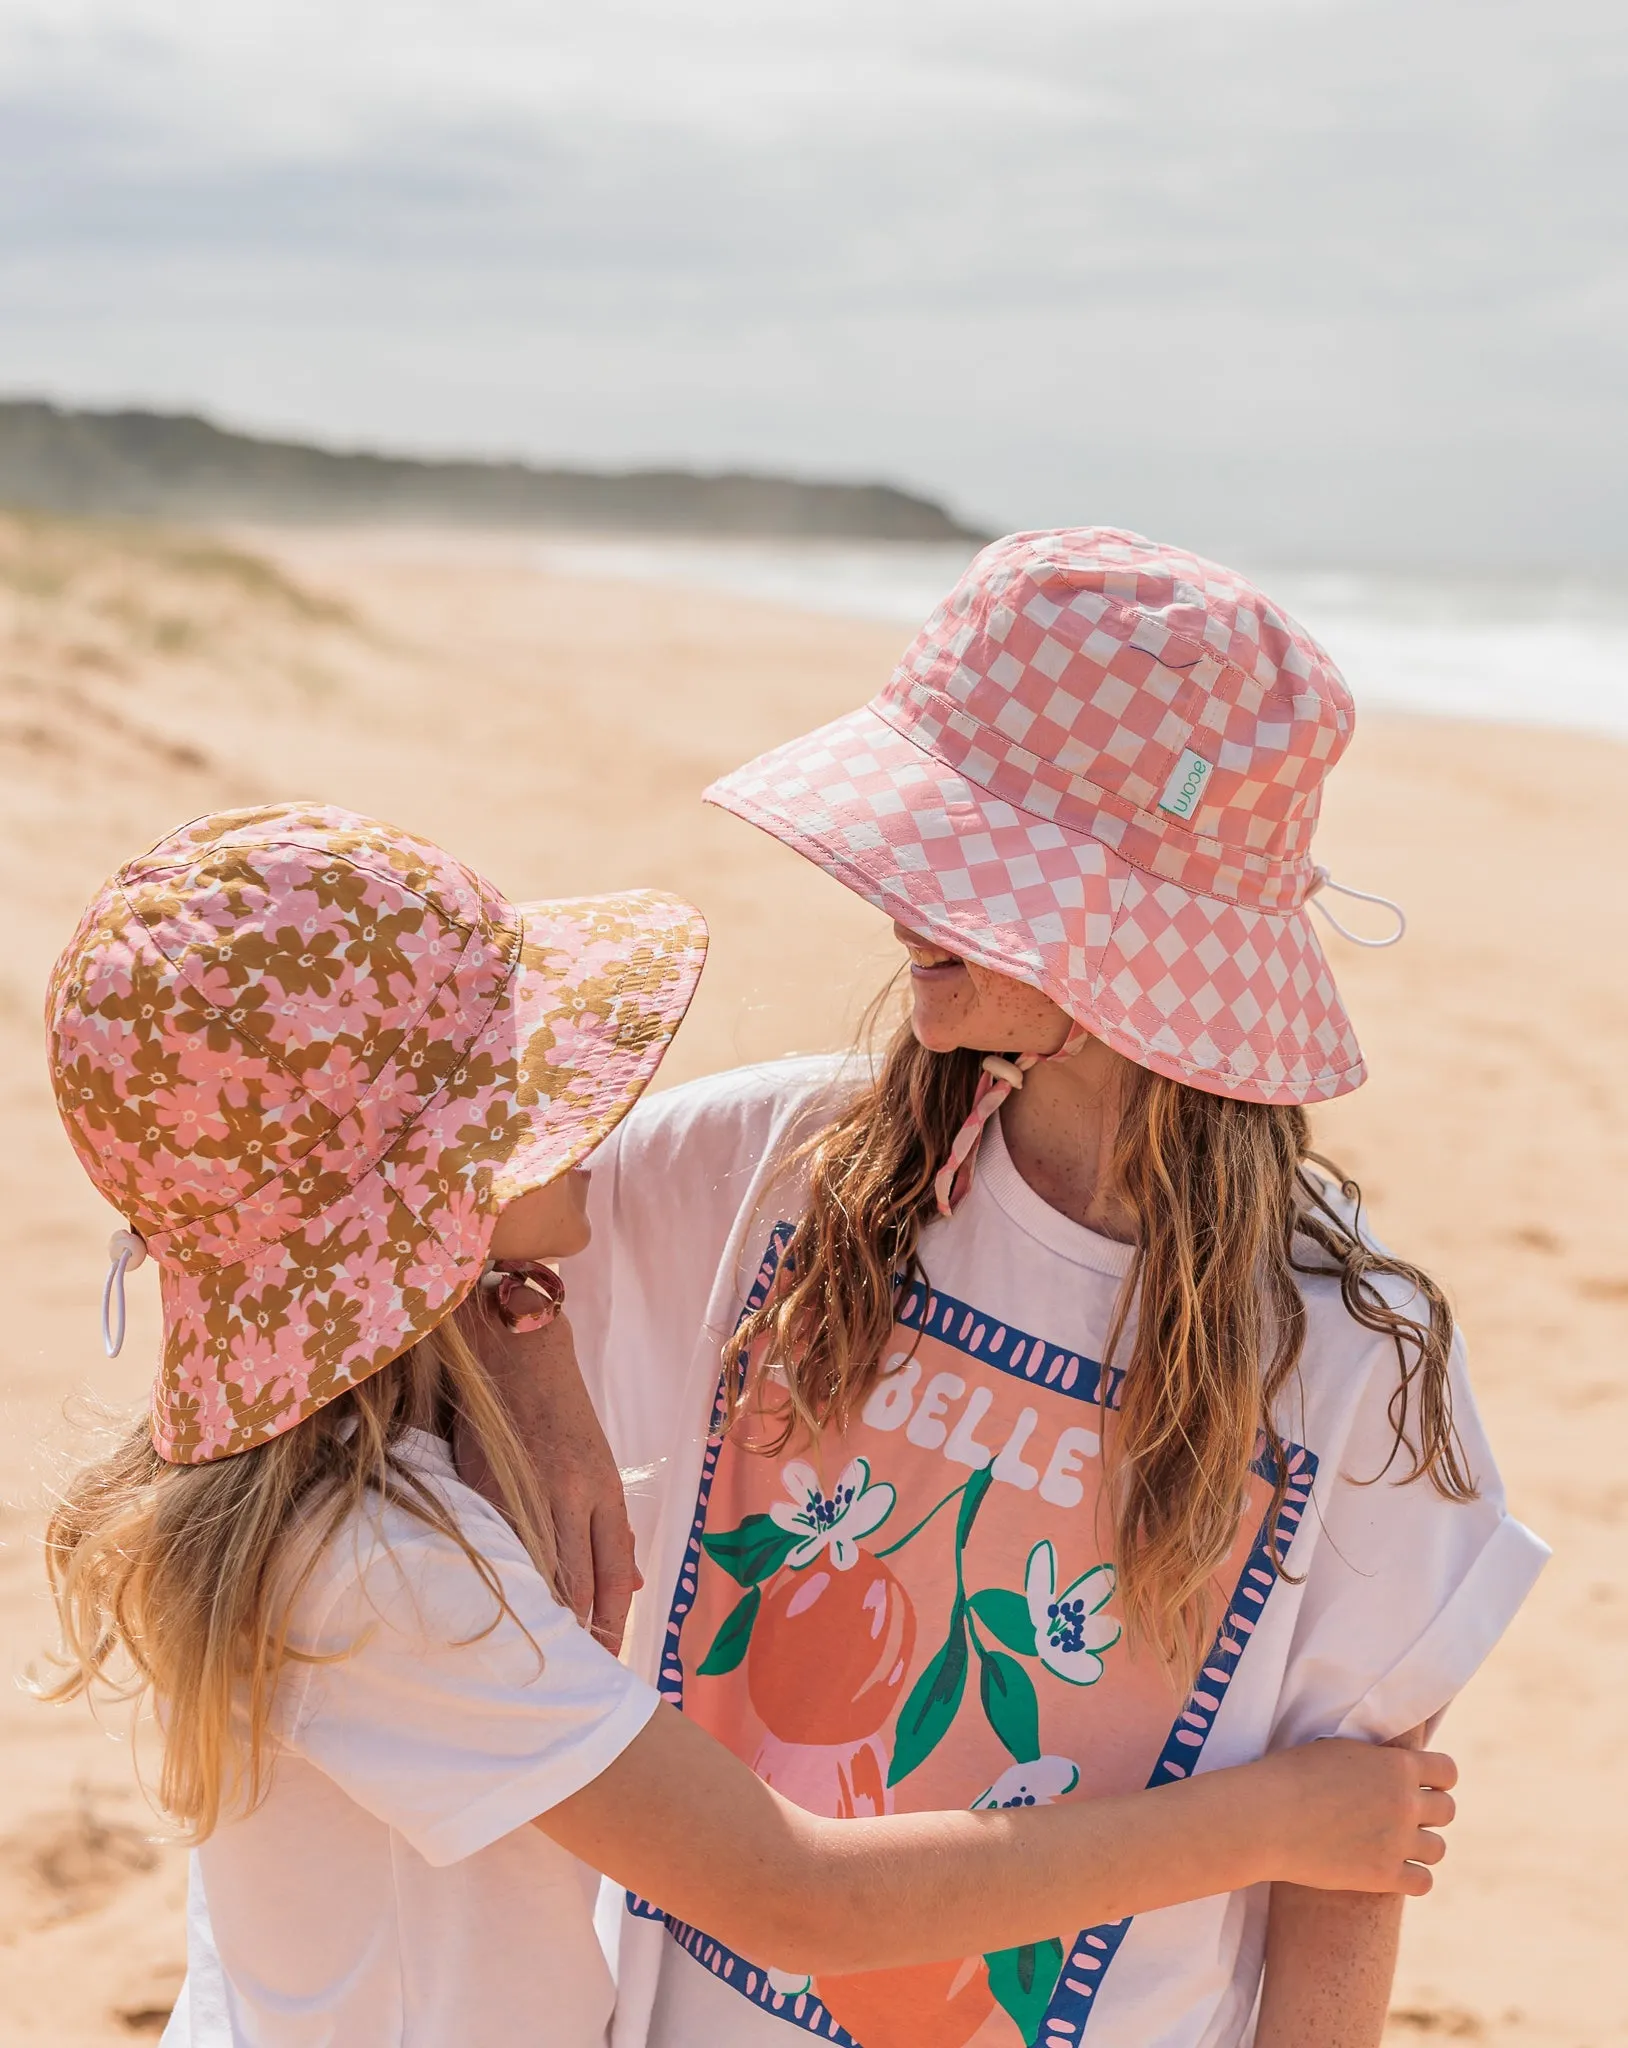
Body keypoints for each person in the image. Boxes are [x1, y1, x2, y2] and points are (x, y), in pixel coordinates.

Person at [37, 802, 1451, 2048]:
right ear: (429, 1210)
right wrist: (1270, 1825)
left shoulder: (319, 1494)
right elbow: (793, 1893)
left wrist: (512, 1314)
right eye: (526, 1096)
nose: (587, 1117)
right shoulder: (393, 1578)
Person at [552, 532, 1550, 2048]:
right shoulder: (782, 1163)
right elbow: (455, 1240)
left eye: (960, 861)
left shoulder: (1351, 1356)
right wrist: (544, 1396)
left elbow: (1349, 1855)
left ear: (1130, 946)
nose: (897, 901)